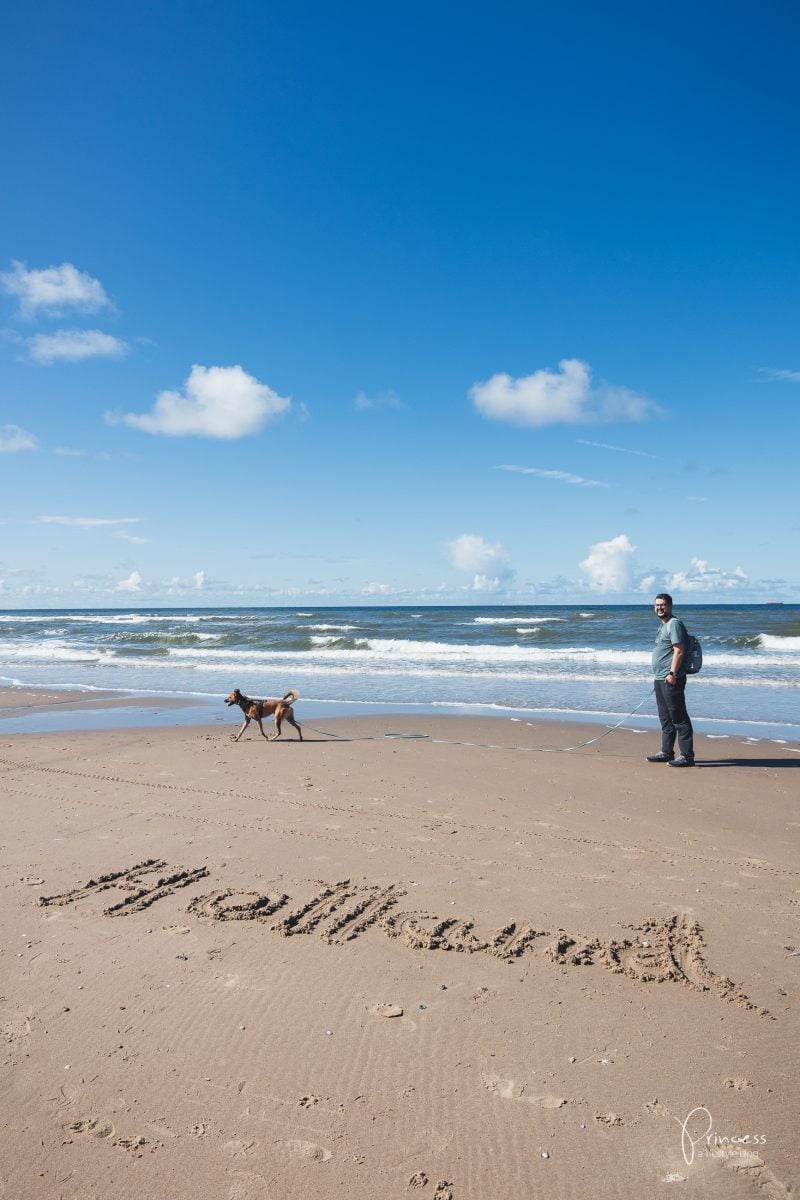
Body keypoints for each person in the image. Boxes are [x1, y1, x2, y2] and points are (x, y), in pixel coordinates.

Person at [647, 593, 695, 767]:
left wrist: (673, 674)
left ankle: (687, 756)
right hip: (660, 678)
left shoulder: (674, 624)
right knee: (665, 718)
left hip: (671, 678)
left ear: (670, 606)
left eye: (663, 605)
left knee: (679, 717)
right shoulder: (663, 625)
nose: (660, 608)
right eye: (657, 605)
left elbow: (679, 650)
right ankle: (666, 752)